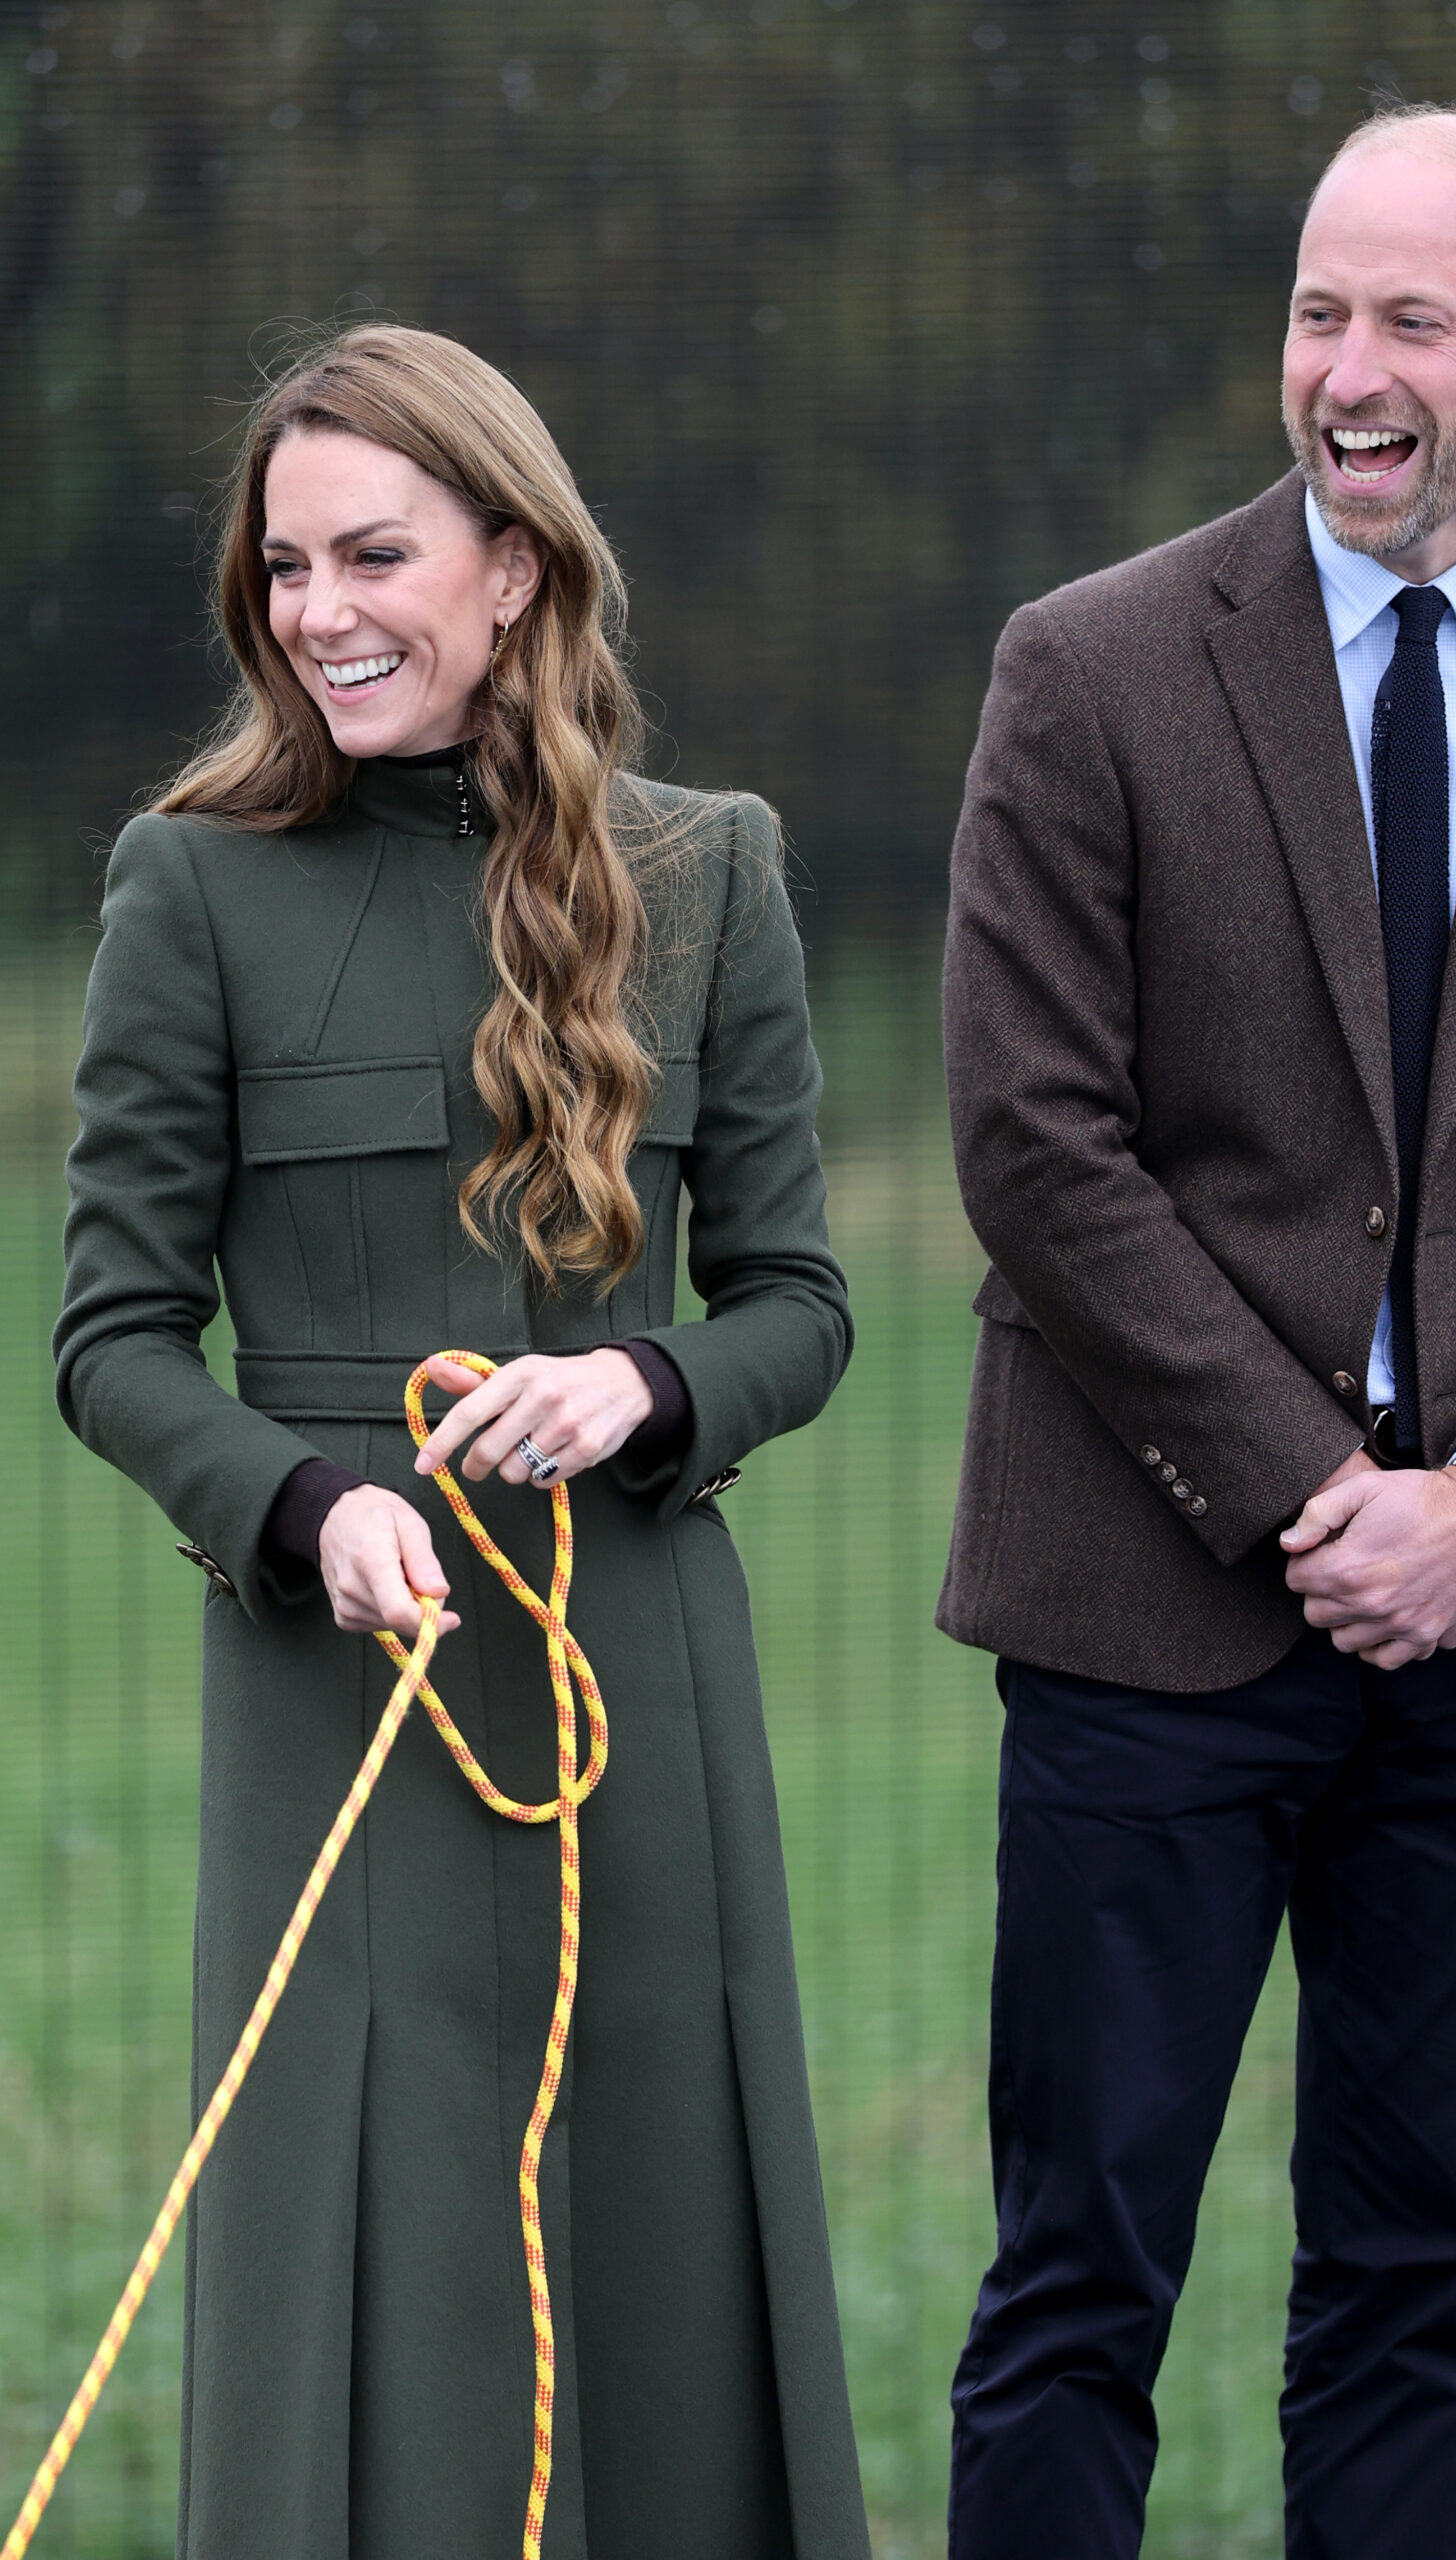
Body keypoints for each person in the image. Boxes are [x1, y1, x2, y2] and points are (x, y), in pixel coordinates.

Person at [937, 104, 1456, 2560]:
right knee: (1074, 2287)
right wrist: (1331, 1500)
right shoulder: (1088, 667)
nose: (1350, 369)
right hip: (1144, 1609)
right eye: (1320, 311)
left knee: (1414, 2297)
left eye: (1411, 316)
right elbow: (1033, 1140)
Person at [55, 324, 871, 2560]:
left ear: (513, 567)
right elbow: (112, 1342)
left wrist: (650, 1383)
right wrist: (300, 1505)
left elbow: (801, 1304)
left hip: (643, 1695)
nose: (319, 607)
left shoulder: (711, 871)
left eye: (377, 552)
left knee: (661, 2269)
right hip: (340, 1683)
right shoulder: (189, 885)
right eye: (285, 562)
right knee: (372, 2279)